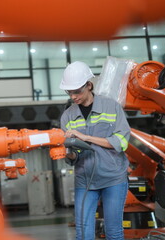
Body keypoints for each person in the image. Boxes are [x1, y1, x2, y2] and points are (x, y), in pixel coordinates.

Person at [59, 61, 130, 240]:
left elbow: (121, 142)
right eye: (69, 92)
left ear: (89, 85)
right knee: (83, 233)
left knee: (113, 232)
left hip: (113, 178)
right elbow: (74, 156)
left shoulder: (112, 107)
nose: (73, 96)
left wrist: (87, 138)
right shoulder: (67, 116)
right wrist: (68, 153)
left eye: (77, 91)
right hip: (85, 180)